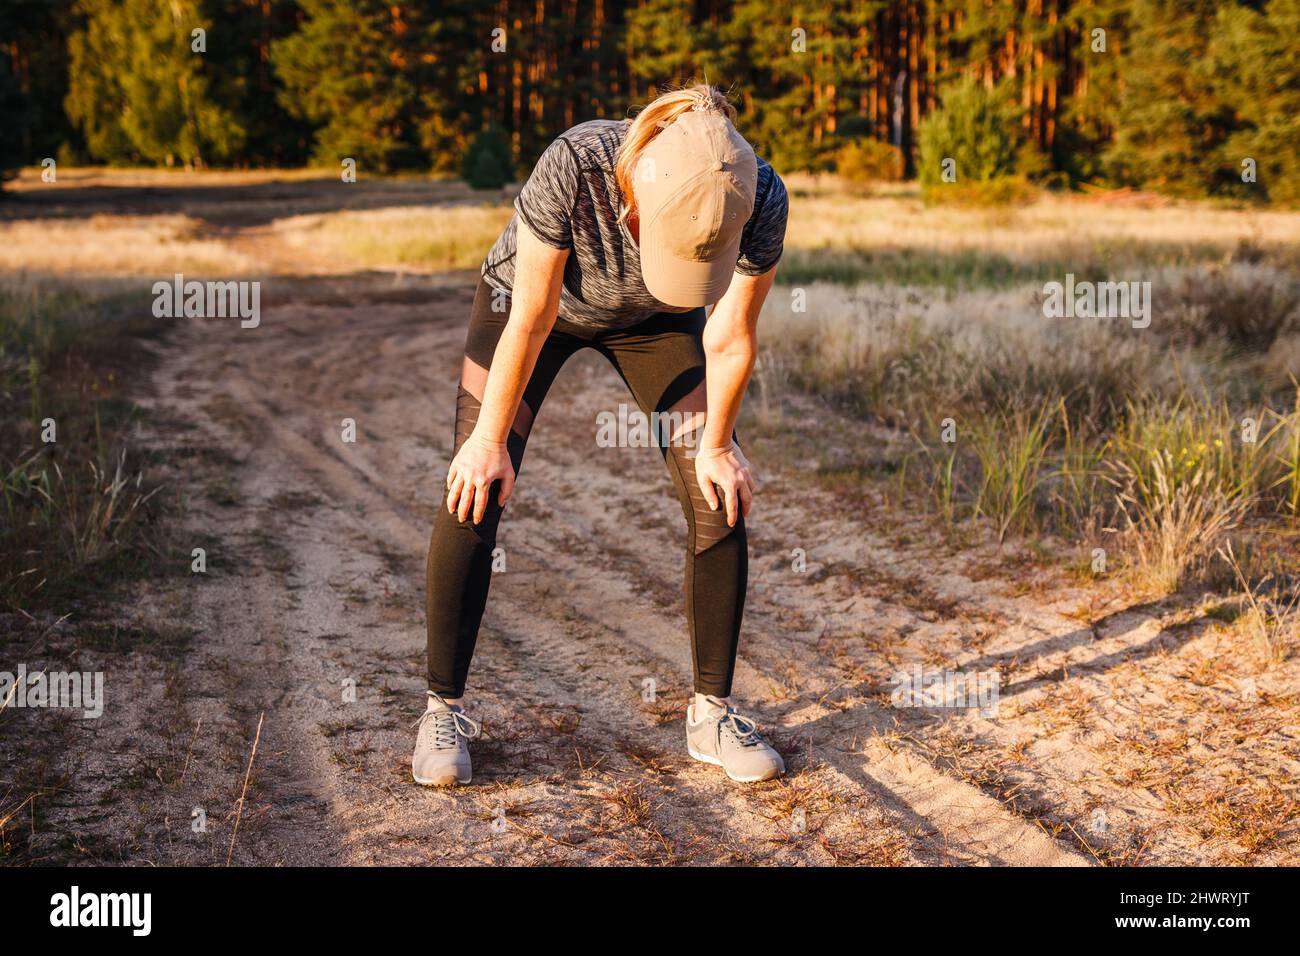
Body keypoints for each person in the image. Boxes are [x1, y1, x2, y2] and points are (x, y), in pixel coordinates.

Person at [414, 84, 789, 787]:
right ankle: (443, 708)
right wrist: (489, 442)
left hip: (653, 323)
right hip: (532, 310)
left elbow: (732, 335)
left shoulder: (759, 193)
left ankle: (711, 714)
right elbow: (531, 312)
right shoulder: (577, 162)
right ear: (632, 195)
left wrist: (717, 444)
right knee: (476, 484)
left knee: (718, 491)